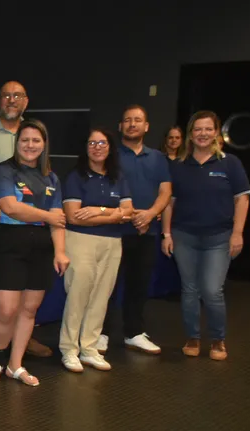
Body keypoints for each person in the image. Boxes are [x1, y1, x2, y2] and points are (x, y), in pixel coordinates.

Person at [162, 110, 250, 360]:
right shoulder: (178, 165)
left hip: (219, 237)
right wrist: (166, 234)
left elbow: (242, 199)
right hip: (184, 236)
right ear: (191, 134)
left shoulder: (229, 163)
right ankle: (192, 337)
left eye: (208, 129)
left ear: (216, 132)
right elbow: (169, 202)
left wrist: (238, 233)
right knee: (189, 290)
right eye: (197, 129)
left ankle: (218, 339)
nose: (202, 134)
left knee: (212, 290)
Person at [0, 119, 67, 387]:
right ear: (17, 143)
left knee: (29, 310)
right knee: (6, 310)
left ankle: (15, 365)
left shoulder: (51, 177)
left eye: (36, 141)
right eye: (25, 140)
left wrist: (60, 252)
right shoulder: (4, 171)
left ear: (44, 145)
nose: (30, 145)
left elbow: (59, 222)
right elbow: (11, 207)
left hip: (41, 247)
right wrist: (48, 217)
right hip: (10, 243)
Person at [0, 81, 54, 361]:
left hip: (29, 226)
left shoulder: (32, 132)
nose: (12, 100)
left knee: (25, 292)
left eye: (17, 95)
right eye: (6, 96)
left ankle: (20, 338)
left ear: (26, 101)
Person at [100, 105, 172, 356]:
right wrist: (128, 214)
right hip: (115, 230)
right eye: (127, 120)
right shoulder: (110, 155)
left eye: (138, 120)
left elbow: (165, 192)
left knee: (138, 285)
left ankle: (133, 333)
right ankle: (100, 333)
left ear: (146, 126)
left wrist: (150, 214)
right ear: (120, 126)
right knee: (106, 286)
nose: (132, 124)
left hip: (145, 231)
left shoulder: (158, 158)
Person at [59, 129, 133, 373]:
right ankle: (69, 349)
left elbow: (128, 212)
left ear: (110, 147)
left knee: (102, 297)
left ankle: (89, 348)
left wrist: (98, 211)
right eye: (92, 143)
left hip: (112, 245)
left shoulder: (118, 176)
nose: (97, 147)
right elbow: (73, 216)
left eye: (102, 143)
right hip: (80, 241)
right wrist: (114, 214)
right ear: (86, 147)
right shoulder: (76, 177)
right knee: (78, 295)